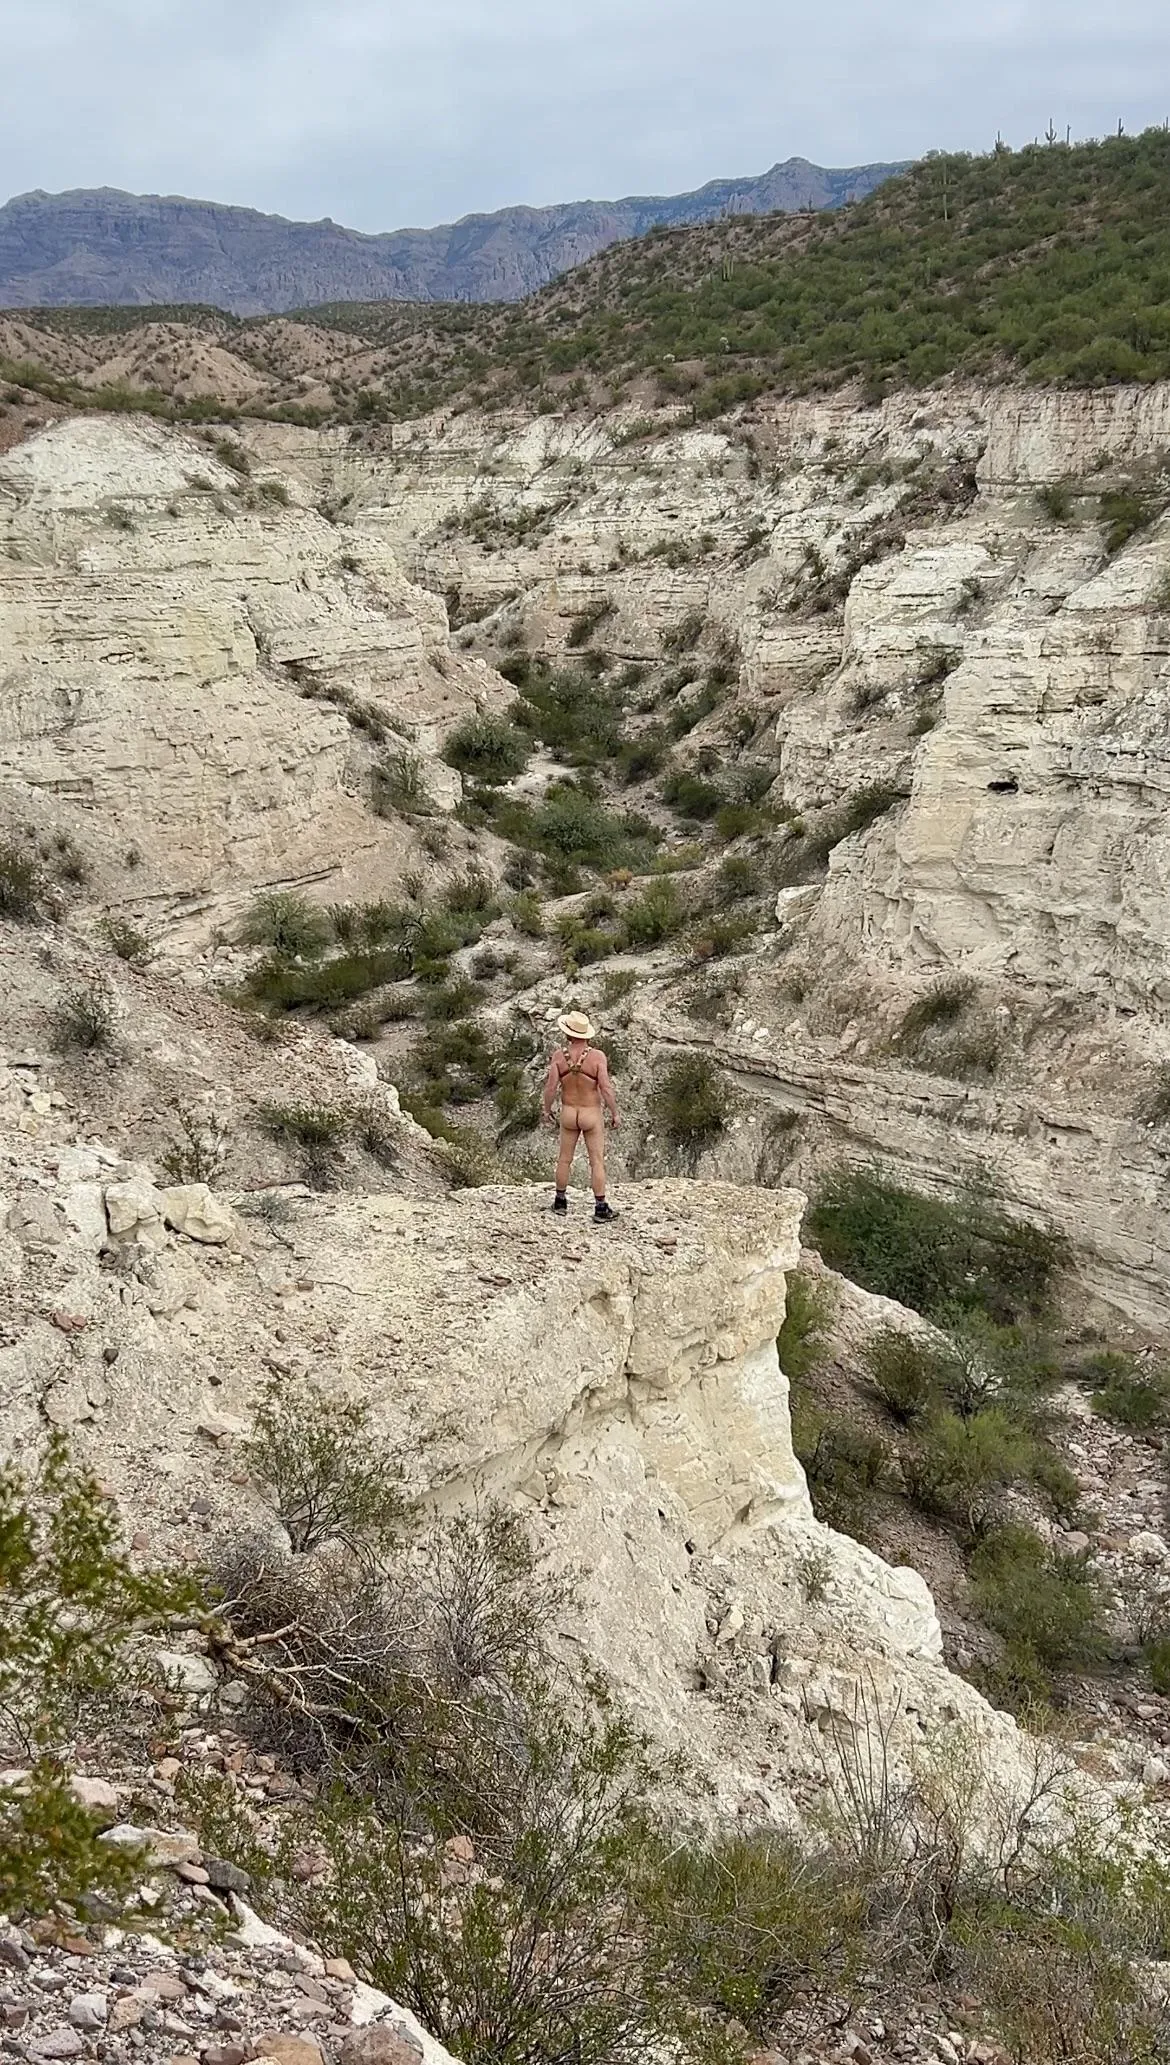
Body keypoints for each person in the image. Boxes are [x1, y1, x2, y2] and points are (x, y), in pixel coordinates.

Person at [542, 1010, 619, 1221]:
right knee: (596, 1161)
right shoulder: (597, 1057)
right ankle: (601, 1207)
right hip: (590, 1113)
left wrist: (546, 1110)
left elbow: (550, 1088)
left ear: (568, 1033)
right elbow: (605, 1087)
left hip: (569, 1112)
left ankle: (560, 1201)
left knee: (564, 1159)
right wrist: (614, 1112)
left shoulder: (559, 1057)